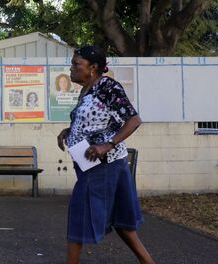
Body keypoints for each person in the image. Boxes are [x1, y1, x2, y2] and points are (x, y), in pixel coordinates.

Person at [56, 46, 154, 264]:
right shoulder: (87, 90)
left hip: (103, 165)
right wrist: (68, 131)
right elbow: (94, 123)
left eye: (76, 65)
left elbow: (133, 120)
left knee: (79, 216)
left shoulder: (108, 87)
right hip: (91, 165)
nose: (71, 69)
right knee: (122, 222)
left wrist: (108, 145)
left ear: (93, 68)